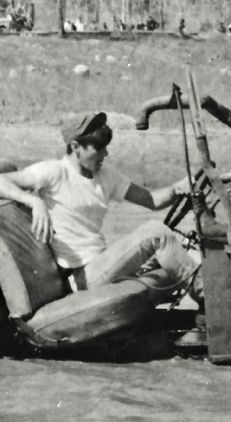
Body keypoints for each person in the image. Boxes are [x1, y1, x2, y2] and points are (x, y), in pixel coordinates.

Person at [0, 111, 202, 302]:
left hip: (102, 262)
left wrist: (177, 188)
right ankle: (207, 296)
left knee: (184, 244)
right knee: (156, 232)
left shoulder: (106, 176)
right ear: (76, 147)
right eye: (98, 148)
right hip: (82, 276)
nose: (105, 153)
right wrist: (34, 201)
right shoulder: (54, 172)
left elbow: (151, 200)